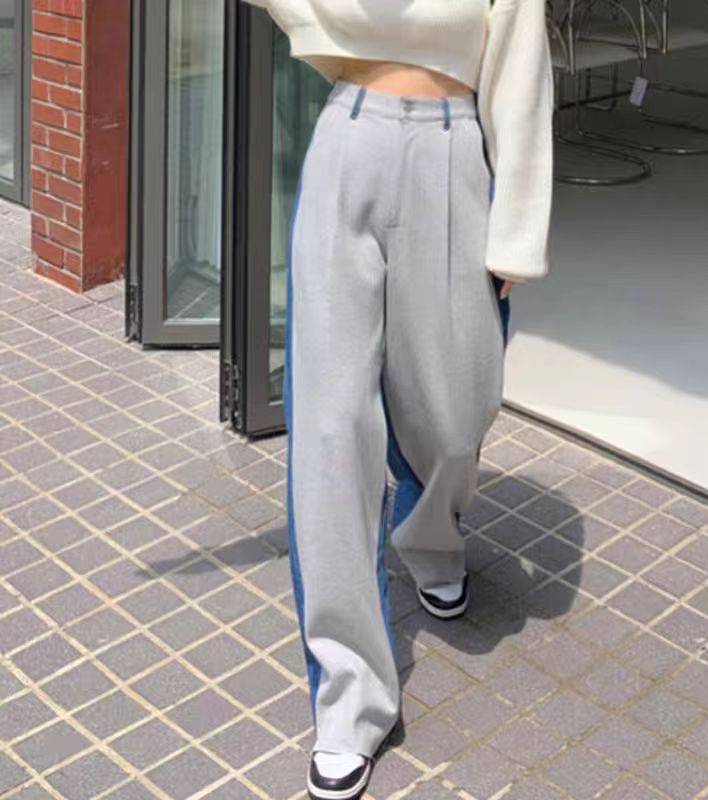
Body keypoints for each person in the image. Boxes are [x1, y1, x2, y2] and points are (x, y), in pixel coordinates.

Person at [243, 2, 554, 798]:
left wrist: (518, 229)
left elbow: (521, 76)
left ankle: (431, 536)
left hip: (453, 152)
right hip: (348, 141)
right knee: (331, 426)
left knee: (456, 410)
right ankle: (351, 700)